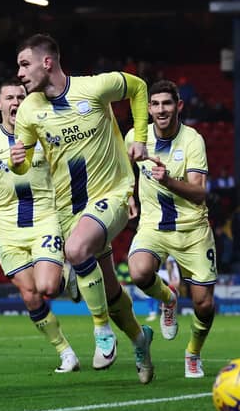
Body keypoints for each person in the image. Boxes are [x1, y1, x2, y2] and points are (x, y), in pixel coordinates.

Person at [9, 33, 154, 383]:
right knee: (110, 290)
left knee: (76, 250)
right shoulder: (29, 109)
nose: (20, 73)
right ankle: (139, 339)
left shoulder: (94, 88)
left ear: (48, 62)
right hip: (69, 209)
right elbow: (23, 164)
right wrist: (18, 161)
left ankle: (101, 331)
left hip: (114, 191)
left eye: (25, 64)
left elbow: (138, 87)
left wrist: (140, 139)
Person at [0, 78, 80, 372]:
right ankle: (65, 352)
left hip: (45, 218)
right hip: (8, 228)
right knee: (30, 294)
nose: (16, 102)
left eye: (21, 96)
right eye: (10, 97)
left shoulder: (45, 133)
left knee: (47, 286)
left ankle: (67, 278)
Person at [125, 79, 217, 378]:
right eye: (155, 104)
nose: (161, 109)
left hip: (192, 230)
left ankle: (193, 352)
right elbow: (123, 171)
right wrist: (128, 196)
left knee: (204, 304)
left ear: (178, 106)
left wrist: (168, 181)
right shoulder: (135, 138)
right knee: (138, 271)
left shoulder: (193, 140)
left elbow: (200, 192)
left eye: (167, 103)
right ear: (148, 109)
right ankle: (169, 299)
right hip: (153, 225)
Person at [145, 256, 180, 322]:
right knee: (148, 289)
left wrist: (170, 278)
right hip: (159, 269)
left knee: (174, 290)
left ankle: (171, 312)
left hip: (170, 268)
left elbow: (169, 263)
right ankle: (152, 313)